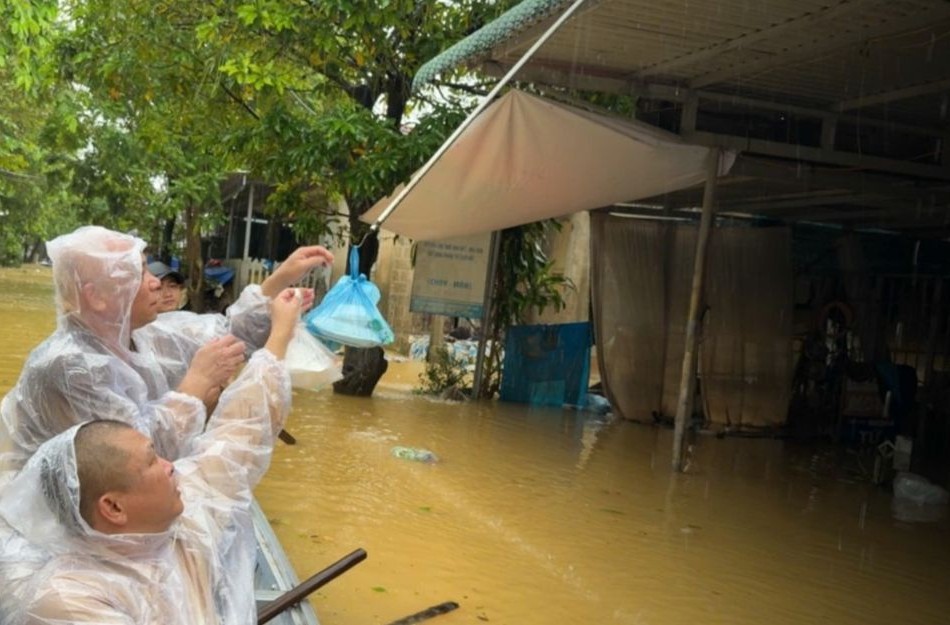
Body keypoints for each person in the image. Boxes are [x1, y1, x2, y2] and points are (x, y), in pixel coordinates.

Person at [0, 287, 303, 625]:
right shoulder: (67, 600)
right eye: (152, 461)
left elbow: (238, 434)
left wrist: (279, 338)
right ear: (113, 507)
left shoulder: (179, 527)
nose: (172, 465)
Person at [0, 225, 332, 481]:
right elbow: (135, 462)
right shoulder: (69, 365)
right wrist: (196, 384)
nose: (155, 282)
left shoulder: (146, 334)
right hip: (52, 523)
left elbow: (230, 333)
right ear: (96, 297)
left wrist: (281, 278)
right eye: (138, 273)